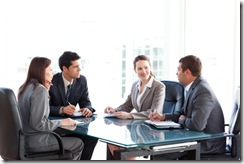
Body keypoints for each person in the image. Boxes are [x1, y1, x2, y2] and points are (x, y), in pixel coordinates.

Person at [150, 55, 226, 160]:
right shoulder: (194, 86)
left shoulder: (203, 91)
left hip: (208, 145)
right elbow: (183, 112)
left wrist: (183, 120)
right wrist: (163, 117)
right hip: (197, 139)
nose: (176, 73)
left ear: (187, 72)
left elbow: (197, 125)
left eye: (178, 70)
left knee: (161, 154)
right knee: (158, 150)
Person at [17, 57, 83, 160]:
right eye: (51, 70)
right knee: (78, 143)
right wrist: (61, 122)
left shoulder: (25, 87)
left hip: (24, 140)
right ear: (41, 71)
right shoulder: (39, 90)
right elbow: (38, 124)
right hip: (36, 142)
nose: (53, 73)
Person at [104, 55, 165, 160]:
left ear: (151, 67)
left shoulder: (159, 87)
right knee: (111, 142)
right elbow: (128, 105)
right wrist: (115, 110)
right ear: (135, 70)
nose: (144, 71)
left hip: (152, 133)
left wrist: (130, 115)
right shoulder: (135, 85)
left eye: (146, 67)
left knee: (124, 150)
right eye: (140, 68)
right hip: (137, 130)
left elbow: (154, 112)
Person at [49, 51, 98, 160]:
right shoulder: (52, 80)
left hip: (73, 125)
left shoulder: (82, 80)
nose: (79, 69)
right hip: (55, 126)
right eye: (75, 67)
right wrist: (62, 109)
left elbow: (86, 102)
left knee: (92, 138)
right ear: (65, 68)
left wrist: (87, 109)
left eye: (79, 66)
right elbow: (45, 108)